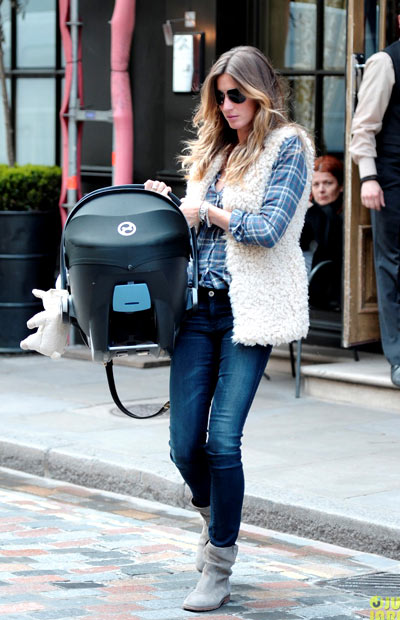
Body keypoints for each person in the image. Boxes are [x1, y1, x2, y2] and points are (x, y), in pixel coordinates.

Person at [145, 45, 314, 612]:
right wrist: (170, 207)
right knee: (182, 443)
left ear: (259, 92)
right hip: (197, 311)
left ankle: (218, 562)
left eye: (236, 94)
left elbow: (268, 229)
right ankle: (216, 516)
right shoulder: (215, 151)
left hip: (249, 313)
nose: (227, 104)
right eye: (220, 96)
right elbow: (192, 233)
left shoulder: (288, 147)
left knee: (222, 442)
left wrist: (208, 213)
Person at [350, 5, 400, 387]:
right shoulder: (386, 61)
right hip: (392, 180)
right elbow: (363, 127)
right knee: (392, 267)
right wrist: (369, 178)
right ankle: (398, 358)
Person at [301, 155, 343, 310]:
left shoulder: (344, 216)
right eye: (316, 184)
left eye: (328, 183)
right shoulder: (309, 213)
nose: (321, 190)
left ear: (341, 186)